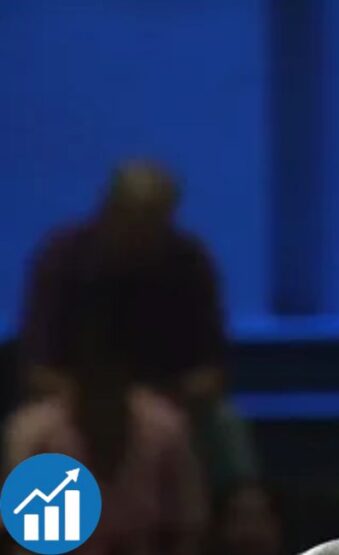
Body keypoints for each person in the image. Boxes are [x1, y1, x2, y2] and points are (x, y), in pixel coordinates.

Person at [17, 160, 259, 497]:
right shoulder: (63, 260)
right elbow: (39, 370)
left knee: (224, 424)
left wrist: (149, 409)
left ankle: (237, 525)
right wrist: (104, 402)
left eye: (153, 221)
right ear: (108, 211)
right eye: (132, 219)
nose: (140, 233)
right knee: (29, 432)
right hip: (75, 402)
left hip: (173, 402)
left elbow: (212, 370)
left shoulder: (189, 263)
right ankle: (36, 538)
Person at [4, 280, 208, 555]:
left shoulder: (166, 430)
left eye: (111, 365)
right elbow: (23, 546)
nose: (101, 378)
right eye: (91, 365)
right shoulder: (35, 436)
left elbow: (188, 532)